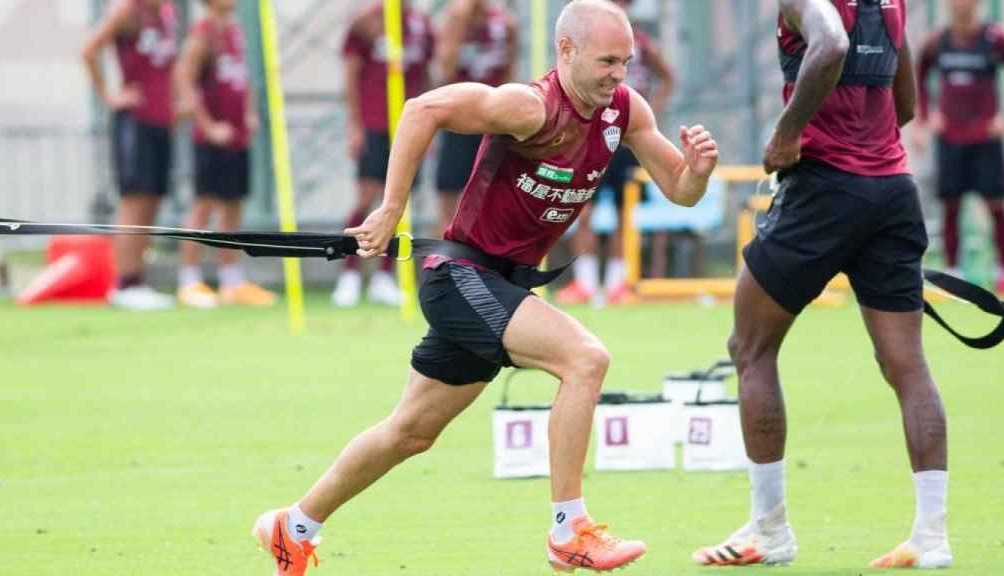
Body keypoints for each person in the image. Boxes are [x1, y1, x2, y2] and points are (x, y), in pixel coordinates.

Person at [250, 1, 718, 573]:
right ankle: (570, 530)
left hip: (496, 288)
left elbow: (680, 188)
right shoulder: (530, 106)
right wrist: (391, 207)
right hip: (461, 279)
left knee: (409, 433)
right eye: (607, 61)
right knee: (585, 360)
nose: (619, 74)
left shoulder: (624, 110)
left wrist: (696, 171)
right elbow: (423, 108)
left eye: (625, 61)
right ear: (566, 51)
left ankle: (293, 526)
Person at [693, 0, 952, 569]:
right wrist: (867, 138)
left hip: (823, 190)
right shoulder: (891, 4)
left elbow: (830, 45)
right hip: (891, 191)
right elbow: (904, 105)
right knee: (908, 365)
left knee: (750, 347)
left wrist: (788, 133)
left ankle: (770, 531)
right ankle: (932, 537)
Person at [556, 0, 674, 306]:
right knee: (582, 209)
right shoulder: (589, 42)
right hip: (590, 135)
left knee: (625, 212)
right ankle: (585, 280)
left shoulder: (642, 44)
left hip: (624, 139)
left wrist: (650, 112)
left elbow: (667, 78)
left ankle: (616, 283)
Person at [172, 0, 276, 308]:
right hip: (211, 140)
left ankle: (232, 280)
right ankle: (189, 280)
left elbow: (244, 81)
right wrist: (208, 125)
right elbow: (184, 79)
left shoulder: (233, 32)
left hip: (237, 137)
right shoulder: (202, 35)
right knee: (204, 206)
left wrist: (249, 114)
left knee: (233, 207)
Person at [332, 0, 434, 308]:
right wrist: (355, 126)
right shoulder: (367, 22)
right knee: (367, 197)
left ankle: (384, 277)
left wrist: (432, 125)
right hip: (374, 123)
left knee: (402, 201)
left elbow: (426, 75)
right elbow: (351, 75)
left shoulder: (421, 25)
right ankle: (349, 273)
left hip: (409, 127)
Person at [82, 0, 177, 311]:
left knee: (152, 199)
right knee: (134, 198)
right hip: (135, 120)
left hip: (161, 120)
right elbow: (89, 50)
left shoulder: (165, 13)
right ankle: (125, 282)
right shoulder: (127, 10)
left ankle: (140, 279)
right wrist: (110, 96)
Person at [914, 0, 1004, 294]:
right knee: (950, 204)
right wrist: (925, 120)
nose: (960, 5)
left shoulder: (994, 39)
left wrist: (1002, 118)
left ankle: (1003, 270)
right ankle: (954, 274)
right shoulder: (936, 41)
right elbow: (919, 76)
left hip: (985, 138)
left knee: (995, 205)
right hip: (950, 137)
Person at [433, 0, 518, 236]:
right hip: (459, 118)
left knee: (490, 194)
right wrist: (461, 25)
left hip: (491, 120)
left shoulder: (504, 23)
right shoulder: (457, 17)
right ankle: (445, 262)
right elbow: (446, 67)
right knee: (450, 196)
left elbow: (509, 73)